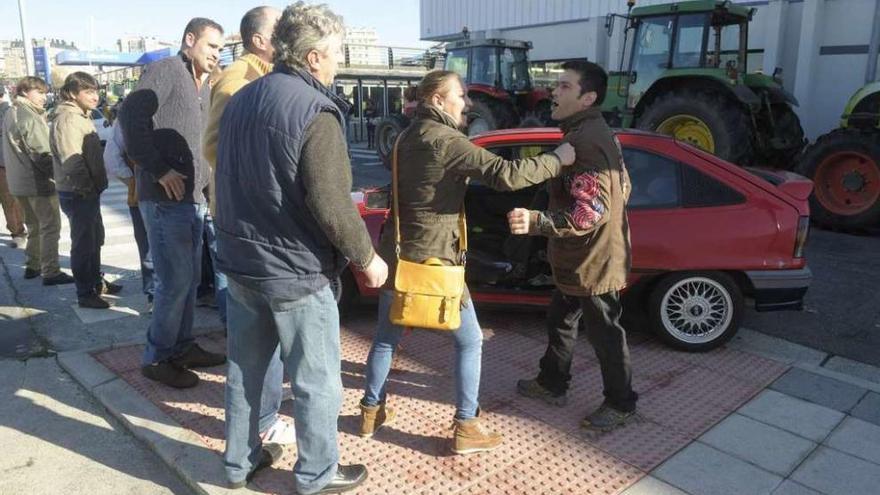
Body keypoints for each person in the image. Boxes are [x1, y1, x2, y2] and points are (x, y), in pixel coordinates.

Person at [215, 2, 387, 492]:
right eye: (336, 53)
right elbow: (331, 203)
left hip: (244, 263)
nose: (339, 62)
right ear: (313, 57)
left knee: (245, 374)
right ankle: (317, 474)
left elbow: (224, 178)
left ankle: (238, 464)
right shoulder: (316, 110)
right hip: (295, 270)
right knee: (316, 382)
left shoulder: (243, 99)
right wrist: (368, 258)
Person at [358, 69, 575, 455]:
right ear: (438, 100)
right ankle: (466, 426)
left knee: (386, 339)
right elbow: (506, 175)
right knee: (470, 340)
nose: (468, 102)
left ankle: (370, 413)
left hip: (398, 254)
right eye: (460, 95)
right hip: (436, 260)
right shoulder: (446, 140)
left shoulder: (406, 137)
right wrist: (557, 160)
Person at [508, 60, 638, 430]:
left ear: (588, 98)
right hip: (580, 259)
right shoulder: (596, 132)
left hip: (593, 262)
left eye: (564, 86)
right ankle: (552, 382)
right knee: (561, 321)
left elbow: (589, 215)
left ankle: (621, 403)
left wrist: (535, 222)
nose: (553, 91)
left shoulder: (584, 142)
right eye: (556, 84)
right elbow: (624, 187)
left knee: (606, 336)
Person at [203, 5, 296, 448]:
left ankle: (260, 418)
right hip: (247, 222)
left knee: (264, 329)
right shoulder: (239, 80)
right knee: (257, 332)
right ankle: (260, 422)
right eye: (280, 30)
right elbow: (214, 146)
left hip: (258, 221)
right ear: (259, 40)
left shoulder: (265, 77)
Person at [119, 17, 226, 389]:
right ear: (190, 39)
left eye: (220, 48)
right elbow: (132, 117)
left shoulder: (204, 84)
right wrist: (159, 169)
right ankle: (157, 357)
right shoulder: (165, 70)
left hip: (192, 199)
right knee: (173, 281)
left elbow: (203, 145)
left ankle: (181, 346)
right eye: (211, 46)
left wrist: (211, 195)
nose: (216, 54)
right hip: (165, 199)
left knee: (190, 279)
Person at [2, 76, 74, 286]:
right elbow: (41, 154)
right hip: (36, 183)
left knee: (34, 225)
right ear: (25, 92)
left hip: (17, 182)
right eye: (39, 92)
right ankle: (50, 271)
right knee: (50, 226)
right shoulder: (29, 116)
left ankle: (33, 265)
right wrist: (59, 176)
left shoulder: (11, 111)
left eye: (45, 92)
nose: (44, 97)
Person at [103, 116, 154, 311]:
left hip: (143, 193)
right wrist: (134, 181)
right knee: (152, 248)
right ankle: (155, 296)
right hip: (147, 195)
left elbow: (111, 159)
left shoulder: (129, 115)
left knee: (149, 248)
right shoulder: (128, 117)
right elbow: (111, 159)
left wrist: (133, 181)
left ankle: (155, 297)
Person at [0, 85, 27, 248]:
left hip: (6, 164)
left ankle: (18, 232)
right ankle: (18, 231)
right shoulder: (12, 111)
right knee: (11, 200)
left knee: (11, 200)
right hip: (8, 163)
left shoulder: (9, 112)